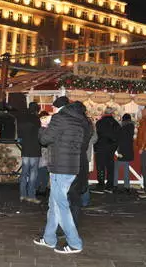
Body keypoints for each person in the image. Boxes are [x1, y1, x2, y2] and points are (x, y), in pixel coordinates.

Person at [33, 96, 85, 255]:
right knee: (54, 203)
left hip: (59, 168)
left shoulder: (58, 118)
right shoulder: (79, 120)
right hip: (71, 167)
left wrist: (43, 125)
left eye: (53, 108)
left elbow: (44, 139)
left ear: (56, 108)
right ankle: (49, 238)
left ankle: (75, 243)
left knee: (61, 205)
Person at [67, 101, 93, 229]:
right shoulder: (87, 123)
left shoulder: (76, 124)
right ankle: (74, 223)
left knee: (70, 194)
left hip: (73, 161)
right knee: (76, 194)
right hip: (82, 160)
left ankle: (69, 224)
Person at [17, 102, 42, 203]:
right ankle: (31, 195)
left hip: (25, 149)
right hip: (35, 149)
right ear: (37, 110)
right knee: (33, 173)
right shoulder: (36, 120)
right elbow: (39, 135)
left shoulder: (22, 119)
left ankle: (22, 195)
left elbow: (20, 136)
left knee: (24, 173)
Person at [93, 107, 120, 194]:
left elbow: (95, 136)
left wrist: (96, 147)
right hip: (110, 149)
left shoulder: (99, 122)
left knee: (100, 167)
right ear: (112, 113)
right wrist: (114, 147)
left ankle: (101, 185)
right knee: (110, 167)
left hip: (101, 148)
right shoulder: (116, 124)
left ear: (104, 113)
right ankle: (110, 185)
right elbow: (118, 138)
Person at [114, 113, 135, 193]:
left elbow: (120, 140)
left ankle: (115, 185)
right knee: (126, 169)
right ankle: (127, 186)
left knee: (116, 168)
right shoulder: (131, 127)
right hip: (129, 151)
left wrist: (119, 151)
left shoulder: (123, 129)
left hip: (122, 151)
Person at [37, 111, 51, 196]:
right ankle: (42, 188)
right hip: (47, 150)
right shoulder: (50, 127)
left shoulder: (41, 127)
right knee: (44, 170)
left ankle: (40, 188)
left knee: (41, 170)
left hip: (42, 150)